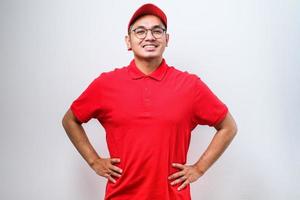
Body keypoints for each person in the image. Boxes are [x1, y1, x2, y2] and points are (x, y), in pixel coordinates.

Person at [62, 3, 237, 200]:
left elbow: (228, 126)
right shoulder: (106, 84)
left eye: (157, 31)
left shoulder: (190, 86)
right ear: (128, 41)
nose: (150, 36)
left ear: (166, 39)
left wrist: (199, 168)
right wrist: (94, 161)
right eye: (140, 31)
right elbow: (70, 120)